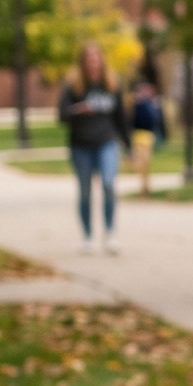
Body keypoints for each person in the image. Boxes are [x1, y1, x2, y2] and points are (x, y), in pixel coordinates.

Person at [58, 45, 131, 255]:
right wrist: (78, 110)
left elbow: (121, 119)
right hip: (81, 145)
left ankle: (110, 233)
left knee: (108, 185)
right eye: (88, 59)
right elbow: (61, 115)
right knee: (85, 191)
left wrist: (129, 146)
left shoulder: (112, 84)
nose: (92, 62)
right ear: (82, 62)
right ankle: (88, 236)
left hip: (106, 142)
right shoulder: (74, 86)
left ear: (102, 60)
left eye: (96, 58)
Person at [128, 63, 168, 197]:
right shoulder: (136, 104)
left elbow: (157, 121)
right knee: (140, 162)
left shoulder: (152, 104)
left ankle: (145, 185)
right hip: (137, 134)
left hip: (147, 135)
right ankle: (144, 185)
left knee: (145, 161)